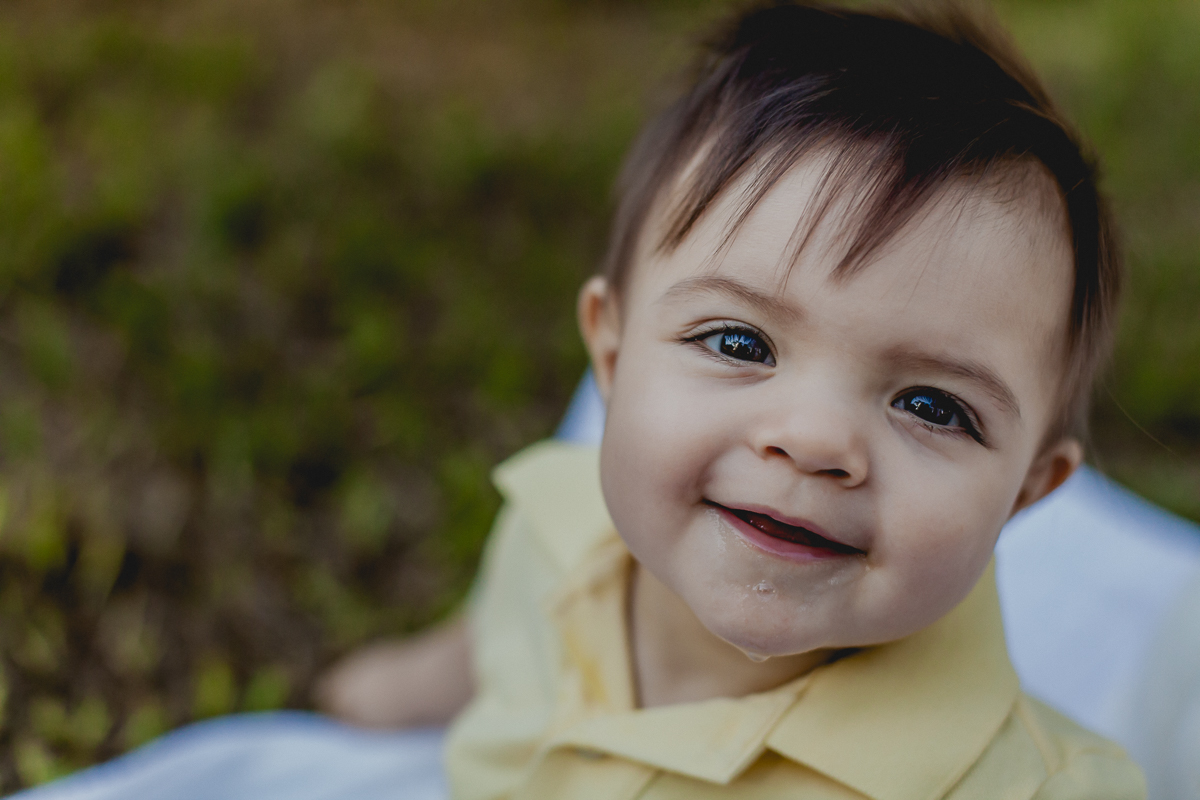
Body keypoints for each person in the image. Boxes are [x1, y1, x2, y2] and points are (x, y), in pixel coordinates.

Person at [7, 2, 1159, 799]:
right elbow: (491, 641)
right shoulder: (562, 526)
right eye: (738, 339)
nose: (812, 439)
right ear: (609, 357)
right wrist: (394, 691)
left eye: (933, 407)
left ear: (1031, 489)